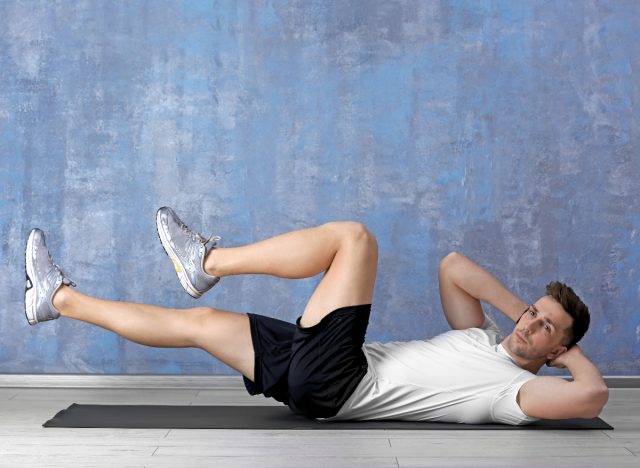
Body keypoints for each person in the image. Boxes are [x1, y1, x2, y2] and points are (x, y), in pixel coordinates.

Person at [24, 207, 609, 424]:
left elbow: (592, 396)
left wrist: (565, 351)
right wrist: (526, 313)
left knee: (354, 238)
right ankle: (56, 299)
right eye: (535, 314)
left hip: (342, 381)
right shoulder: (481, 337)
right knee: (196, 325)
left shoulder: (514, 393)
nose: (529, 325)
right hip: (326, 375)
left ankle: (210, 260)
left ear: (557, 351)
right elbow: (454, 266)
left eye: (544, 329)